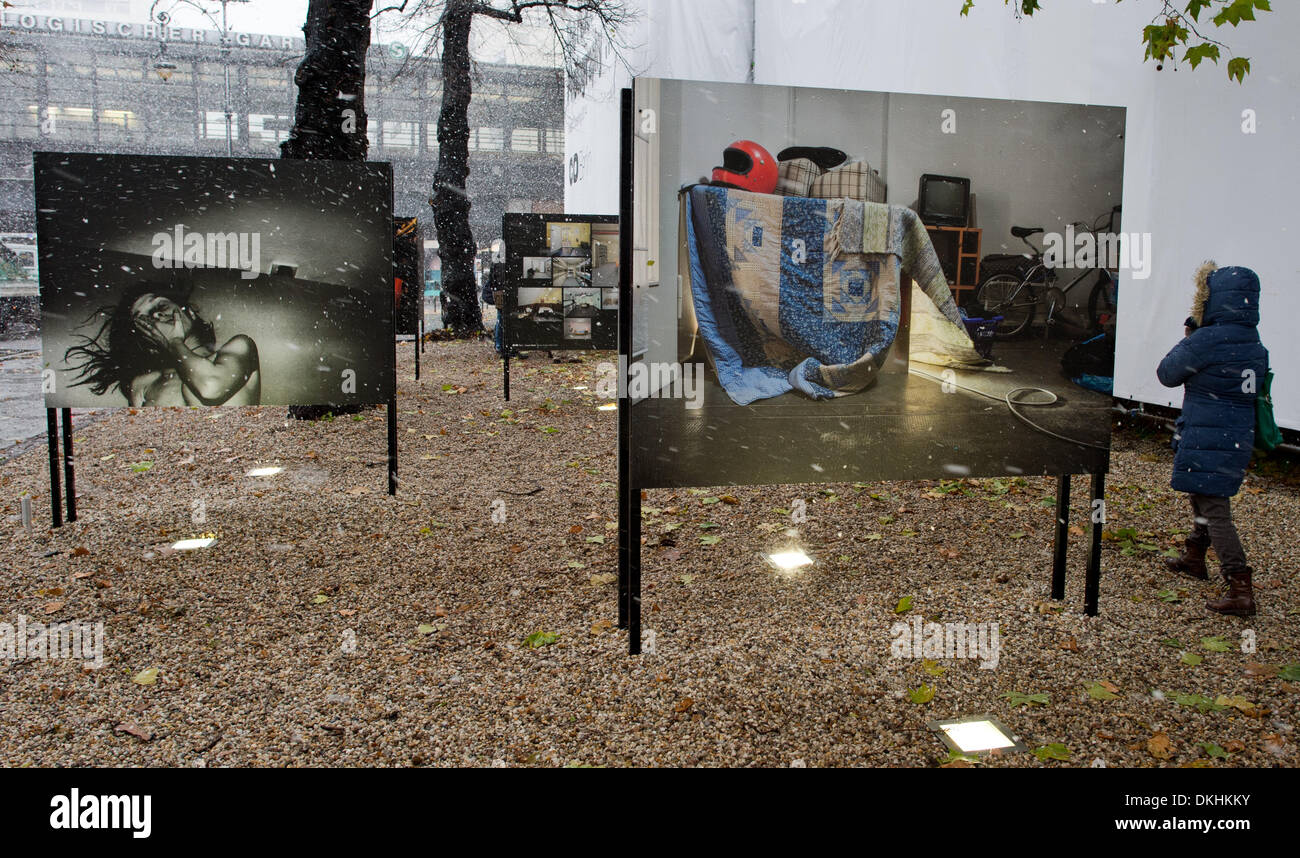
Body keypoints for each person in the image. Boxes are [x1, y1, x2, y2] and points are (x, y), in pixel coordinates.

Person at [1157, 262, 1268, 616]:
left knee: (1216, 509)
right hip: (1235, 435)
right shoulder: (1254, 342)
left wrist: (1190, 336)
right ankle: (1194, 556)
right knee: (1205, 495)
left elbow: (1167, 373)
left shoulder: (1207, 340)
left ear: (1212, 299)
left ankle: (1240, 586)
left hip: (1207, 432)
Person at [65, 283, 260, 406]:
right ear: (146, 341)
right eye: (145, 320)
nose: (156, 315)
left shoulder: (240, 346)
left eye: (161, 306)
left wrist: (174, 342)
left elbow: (211, 387)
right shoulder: (144, 384)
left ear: (190, 313)